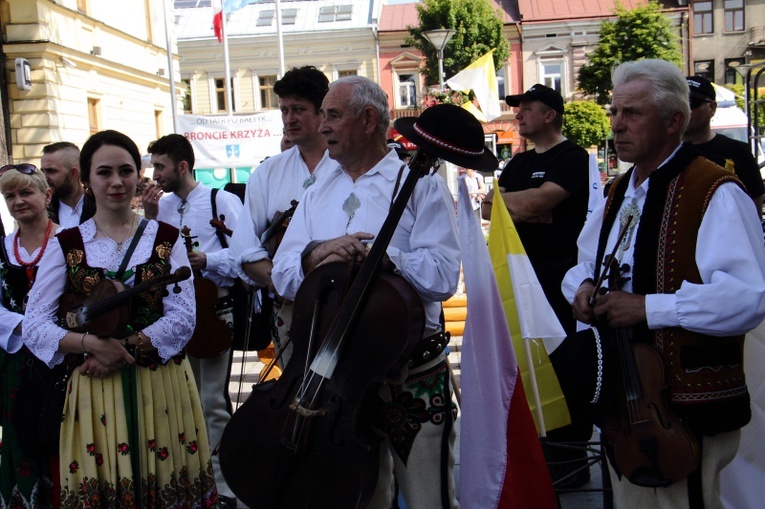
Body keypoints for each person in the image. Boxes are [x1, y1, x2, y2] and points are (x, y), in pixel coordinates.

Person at [271, 77, 494, 508]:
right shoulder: (318, 188)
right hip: (336, 371)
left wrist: (386, 257)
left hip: (409, 370)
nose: (322, 127)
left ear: (368, 119)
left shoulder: (421, 184)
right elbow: (282, 274)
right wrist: (316, 254)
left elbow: (444, 277)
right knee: (360, 496)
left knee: (429, 497)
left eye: (333, 115)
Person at [562, 59, 765, 508]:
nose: (617, 124)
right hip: (624, 399)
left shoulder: (714, 189)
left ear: (675, 120)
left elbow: (748, 297)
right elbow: (583, 263)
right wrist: (580, 290)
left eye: (632, 113)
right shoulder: (618, 192)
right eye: (614, 112)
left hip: (684, 403)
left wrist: (648, 307)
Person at [23, 130, 217, 507]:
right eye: (105, 172)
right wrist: (91, 345)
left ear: (137, 175)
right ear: (86, 179)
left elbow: (183, 317)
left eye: (126, 171)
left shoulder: (166, 237)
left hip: (160, 385)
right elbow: (34, 323)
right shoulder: (66, 245)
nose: (116, 182)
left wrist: (121, 348)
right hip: (95, 389)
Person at [483, 83, 591, 487]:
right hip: (517, 278)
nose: (519, 114)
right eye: (518, 108)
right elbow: (489, 206)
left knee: (562, 363)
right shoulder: (516, 163)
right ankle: (539, 457)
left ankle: (571, 460)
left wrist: (525, 206)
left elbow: (531, 204)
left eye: (528, 108)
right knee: (524, 365)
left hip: (558, 278)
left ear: (550, 115)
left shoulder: (573, 157)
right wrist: (527, 206)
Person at [142, 133, 242, 509]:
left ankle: (224, 485)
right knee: (184, 402)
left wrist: (209, 261)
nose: (155, 175)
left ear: (182, 166)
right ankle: (197, 480)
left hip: (215, 310)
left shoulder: (222, 200)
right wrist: (150, 218)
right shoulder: (161, 206)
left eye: (160, 166)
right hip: (175, 314)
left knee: (212, 400)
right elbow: (147, 257)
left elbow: (247, 255)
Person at [230, 65, 333, 364]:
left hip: (345, 303)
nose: (289, 119)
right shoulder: (267, 173)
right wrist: (281, 279)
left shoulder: (347, 166)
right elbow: (244, 246)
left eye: (298, 109)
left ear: (322, 112)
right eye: (284, 110)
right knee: (294, 394)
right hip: (288, 307)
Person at [0, 164, 57, 507]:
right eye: (10, 196)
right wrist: (23, 326)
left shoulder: (70, 241)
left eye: (26, 192)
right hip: (16, 361)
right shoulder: (2, 249)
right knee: (20, 437)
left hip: (62, 360)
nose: (18, 201)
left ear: (46, 195)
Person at [683, 75, 764, 215]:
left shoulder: (737, 151)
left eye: (692, 103)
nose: (686, 110)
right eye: (680, 102)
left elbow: (754, 205)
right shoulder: (663, 152)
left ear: (712, 108)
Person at [41, 142, 96, 227]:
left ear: (73, 173)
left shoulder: (99, 208)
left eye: (51, 171)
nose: (44, 177)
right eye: (42, 171)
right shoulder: (42, 211)